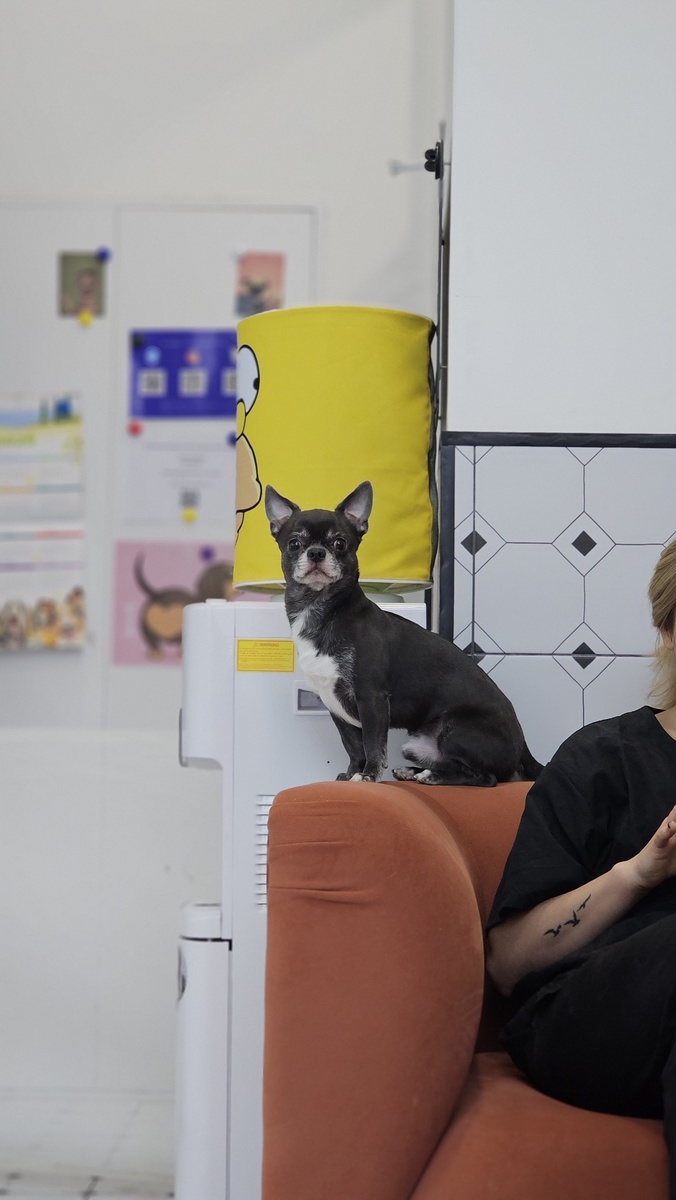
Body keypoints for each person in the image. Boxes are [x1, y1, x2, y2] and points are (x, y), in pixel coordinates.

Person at [486, 538, 676, 1195]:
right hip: (581, 1026)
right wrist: (640, 872)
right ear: (668, 631)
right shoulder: (602, 759)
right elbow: (507, 964)